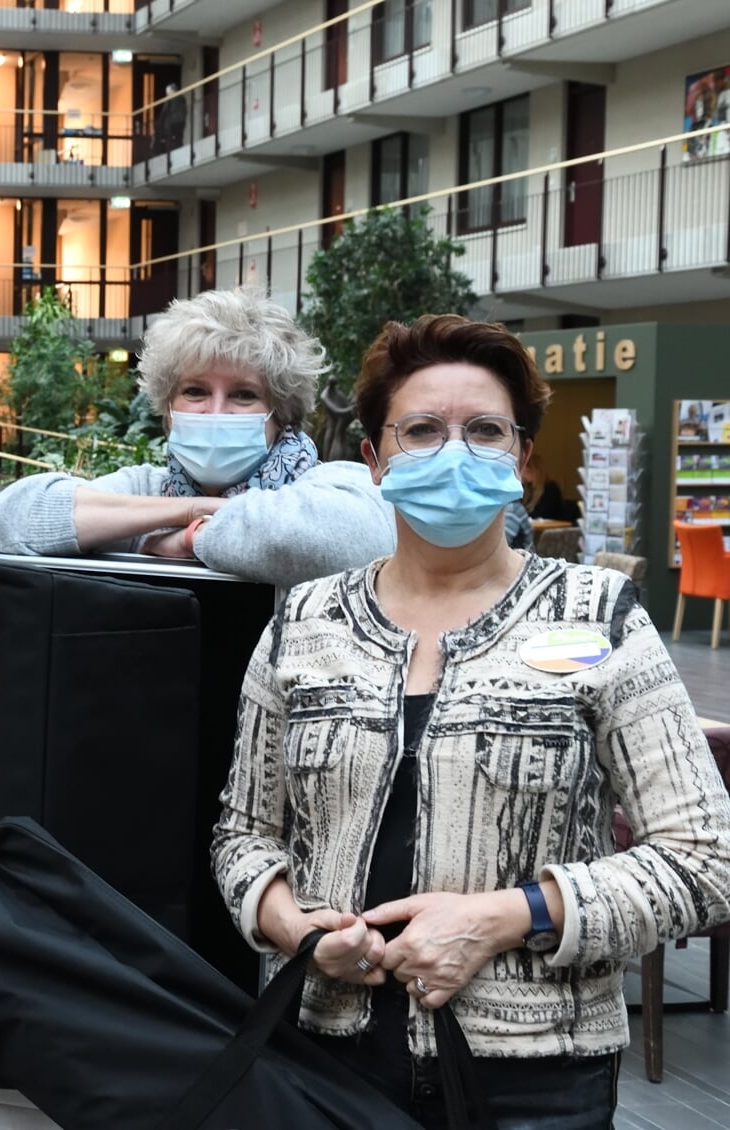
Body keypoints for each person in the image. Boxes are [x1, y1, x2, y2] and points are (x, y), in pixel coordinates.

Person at [212, 314, 730, 1127]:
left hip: (537, 1076)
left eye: (485, 430)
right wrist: (291, 927)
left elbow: (706, 859)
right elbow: (243, 836)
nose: (454, 450)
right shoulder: (304, 623)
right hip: (321, 1058)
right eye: (421, 430)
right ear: (375, 462)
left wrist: (501, 917)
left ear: (521, 461)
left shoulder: (597, 618)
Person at [0, 288, 396, 590]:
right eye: (195, 391)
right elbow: (9, 519)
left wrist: (193, 538)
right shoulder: (148, 490)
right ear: (168, 407)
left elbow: (353, 540)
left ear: (280, 415)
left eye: (243, 394)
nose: (215, 412)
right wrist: (191, 508)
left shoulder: (326, 484)